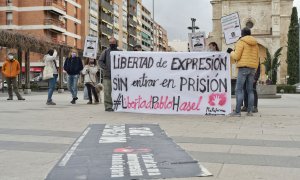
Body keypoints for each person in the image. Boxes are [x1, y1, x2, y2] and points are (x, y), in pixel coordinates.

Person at [227, 27, 259, 116]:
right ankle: (249, 111)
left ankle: (237, 112)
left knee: (239, 90)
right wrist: (255, 68)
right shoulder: (255, 44)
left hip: (243, 68)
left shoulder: (241, 42)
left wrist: (231, 52)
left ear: (242, 34)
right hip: (252, 69)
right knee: (250, 90)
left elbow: (236, 56)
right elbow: (257, 58)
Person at [99, 37, 120, 112]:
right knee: (107, 92)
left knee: (118, 92)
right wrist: (106, 68)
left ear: (116, 43)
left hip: (118, 76)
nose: (112, 44)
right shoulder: (105, 52)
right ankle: (108, 106)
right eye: (110, 43)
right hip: (107, 76)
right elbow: (100, 61)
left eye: (113, 43)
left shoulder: (120, 52)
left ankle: (119, 105)